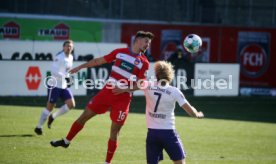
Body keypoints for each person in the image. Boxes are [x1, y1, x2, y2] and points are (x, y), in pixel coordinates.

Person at [50, 31, 154, 164]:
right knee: (84, 116)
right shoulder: (120, 52)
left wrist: (124, 89)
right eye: (146, 42)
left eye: (149, 43)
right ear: (138, 40)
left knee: (114, 131)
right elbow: (99, 61)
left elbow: (142, 83)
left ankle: (107, 162)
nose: (147, 45)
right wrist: (80, 67)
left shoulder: (144, 62)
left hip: (123, 98)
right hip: (107, 92)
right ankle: (66, 141)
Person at [113, 61, 204, 164]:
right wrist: (197, 114)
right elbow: (190, 111)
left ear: (156, 75)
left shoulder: (148, 85)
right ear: (170, 75)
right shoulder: (174, 91)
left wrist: (123, 89)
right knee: (180, 162)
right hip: (168, 133)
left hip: (152, 134)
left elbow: (135, 86)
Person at [34, 40, 75, 135]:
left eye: (70, 46)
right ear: (63, 47)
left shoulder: (71, 57)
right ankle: (38, 127)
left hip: (63, 85)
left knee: (71, 104)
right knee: (50, 106)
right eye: (67, 46)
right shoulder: (59, 57)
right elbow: (54, 71)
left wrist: (68, 77)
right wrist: (65, 76)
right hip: (54, 85)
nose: (69, 48)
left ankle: (53, 117)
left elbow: (67, 71)